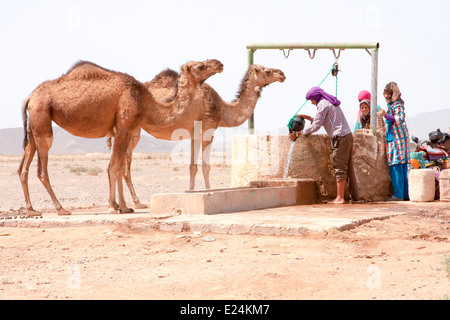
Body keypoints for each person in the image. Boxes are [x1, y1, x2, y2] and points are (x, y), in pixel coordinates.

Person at [289, 86, 353, 204]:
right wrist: (307, 117)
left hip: (340, 137)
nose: (312, 102)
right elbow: (322, 120)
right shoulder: (327, 102)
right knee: (346, 166)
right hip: (346, 136)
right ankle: (352, 196)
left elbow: (316, 126)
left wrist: (298, 133)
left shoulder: (322, 105)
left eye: (312, 100)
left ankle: (340, 198)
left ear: (315, 97)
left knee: (339, 165)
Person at [378, 82, 410, 200]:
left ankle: (398, 194)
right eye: (385, 94)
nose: (386, 96)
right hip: (397, 139)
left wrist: (385, 115)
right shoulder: (393, 105)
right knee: (400, 166)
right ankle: (404, 194)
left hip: (398, 139)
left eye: (388, 94)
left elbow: (400, 119)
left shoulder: (397, 105)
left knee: (396, 166)